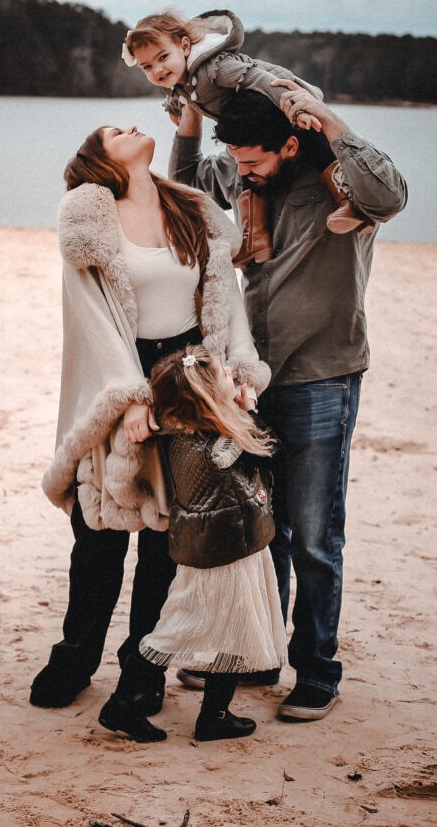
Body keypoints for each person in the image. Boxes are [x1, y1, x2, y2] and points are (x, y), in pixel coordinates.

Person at [168, 83, 407, 720]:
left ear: (291, 143)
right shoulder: (251, 184)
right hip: (255, 382)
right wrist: (191, 124)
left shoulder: (342, 184)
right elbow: (188, 184)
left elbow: (392, 193)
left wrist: (328, 116)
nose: (242, 174)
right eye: (239, 163)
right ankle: (259, 655)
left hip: (322, 377)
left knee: (314, 539)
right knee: (261, 528)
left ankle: (318, 672)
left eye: (252, 162)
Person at [30, 122, 270, 718]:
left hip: (189, 377)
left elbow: (224, 299)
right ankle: (76, 657)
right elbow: (90, 318)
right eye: (113, 130)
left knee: (168, 536)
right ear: (98, 158)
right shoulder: (90, 222)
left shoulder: (190, 208)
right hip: (119, 369)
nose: (131, 126)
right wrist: (128, 396)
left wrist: (237, 372)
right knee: (100, 534)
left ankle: (141, 676)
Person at [97, 344, 287, 744]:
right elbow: (263, 445)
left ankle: (213, 716)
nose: (232, 376)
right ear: (205, 397)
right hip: (221, 553)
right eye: (223, 375)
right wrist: (246, 407)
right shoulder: (211, 445)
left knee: (228, 629)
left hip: (227, 547)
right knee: (177, 629)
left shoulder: (188, 433)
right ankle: (125, 703)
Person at [122, 8, 372, 266]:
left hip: (287, 101)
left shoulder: (215, 68)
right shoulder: (180, 83)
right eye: (147, 66)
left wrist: (294, 109)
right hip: (256, 124)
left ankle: (348, 202)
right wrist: (180, 112)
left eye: (163, 57)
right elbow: (177, 103)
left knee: (316, 145)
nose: (158, 70)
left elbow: (260, 80)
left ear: (185, 46)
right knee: (249, 171)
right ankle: (256, 238)